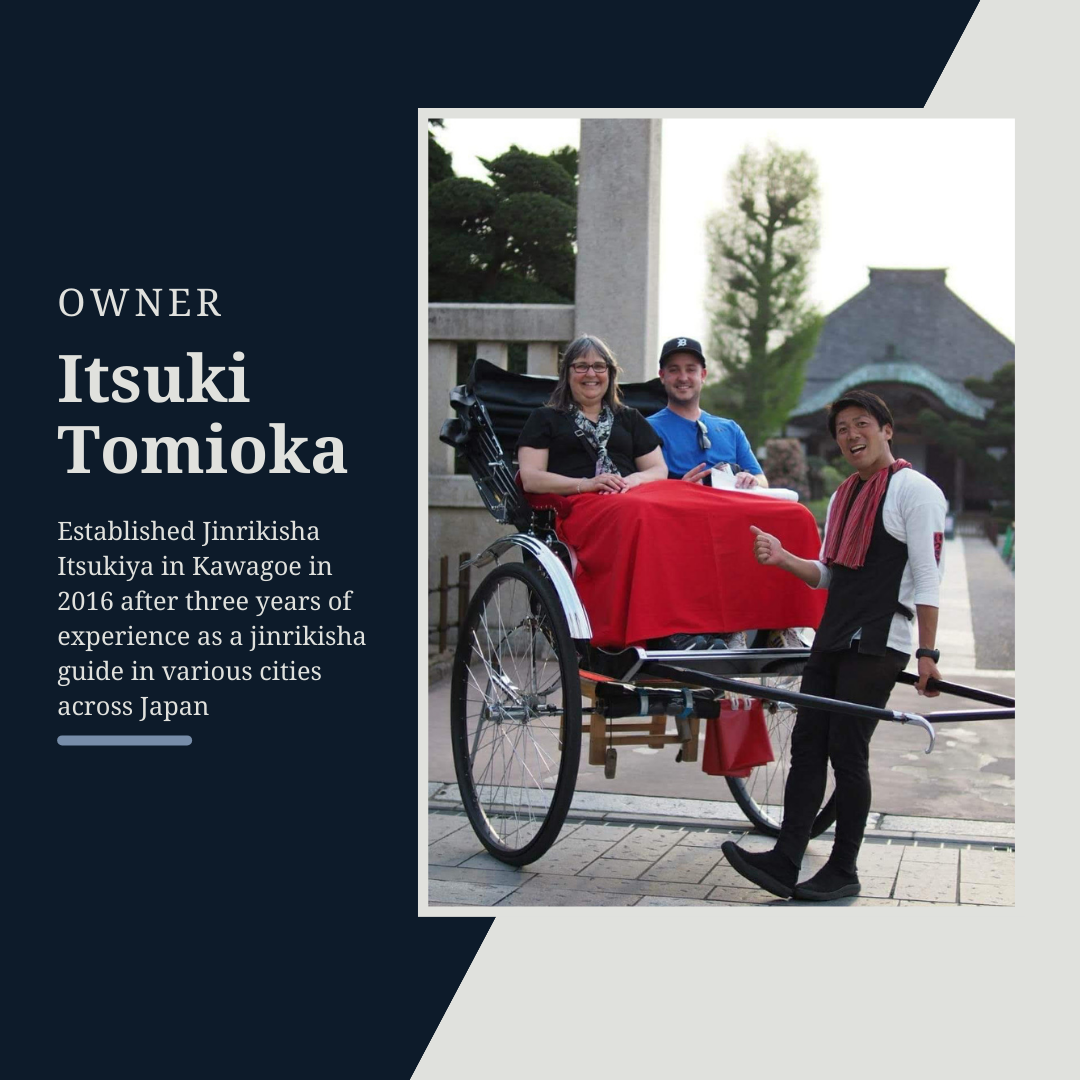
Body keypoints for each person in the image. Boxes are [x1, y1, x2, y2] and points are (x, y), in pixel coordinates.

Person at [721, 390, 946, 902]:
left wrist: (927, 656)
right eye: (842, 428)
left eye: (861, 424)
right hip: (834, 635)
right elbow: (828, 575)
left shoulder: (915, 490)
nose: (851, 435)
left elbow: (929, 579)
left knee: (848, 753)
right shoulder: (846, 494)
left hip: (879, 640)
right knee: (806, 748)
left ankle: (843, 869)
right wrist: (782, 557)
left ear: (887, 430)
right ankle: (786, 859)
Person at [516, 334, 826, 649]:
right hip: (582, 502)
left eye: (599, 366)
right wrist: (586, 484)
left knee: (665, 507)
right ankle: (668, 628)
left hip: (629, 494)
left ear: (610, 374)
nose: (591, 374)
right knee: (648, 512)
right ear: (567, 373)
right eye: (581, 366)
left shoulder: (628, 417)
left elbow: (657, 470)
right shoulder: (546, 419)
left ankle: (783, 623)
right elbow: (530, 477)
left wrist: (632, 482)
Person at [647, 337, 767, 488]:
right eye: (674, 370)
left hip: (732, 508)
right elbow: (639, 487)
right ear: (662, 376)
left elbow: (762, 480)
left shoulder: (731, 429)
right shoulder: (646, 429)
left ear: (703, 375)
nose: (683, 378)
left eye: (691, 369)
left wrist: (751, 480)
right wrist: (679, 489)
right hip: (679, 509)